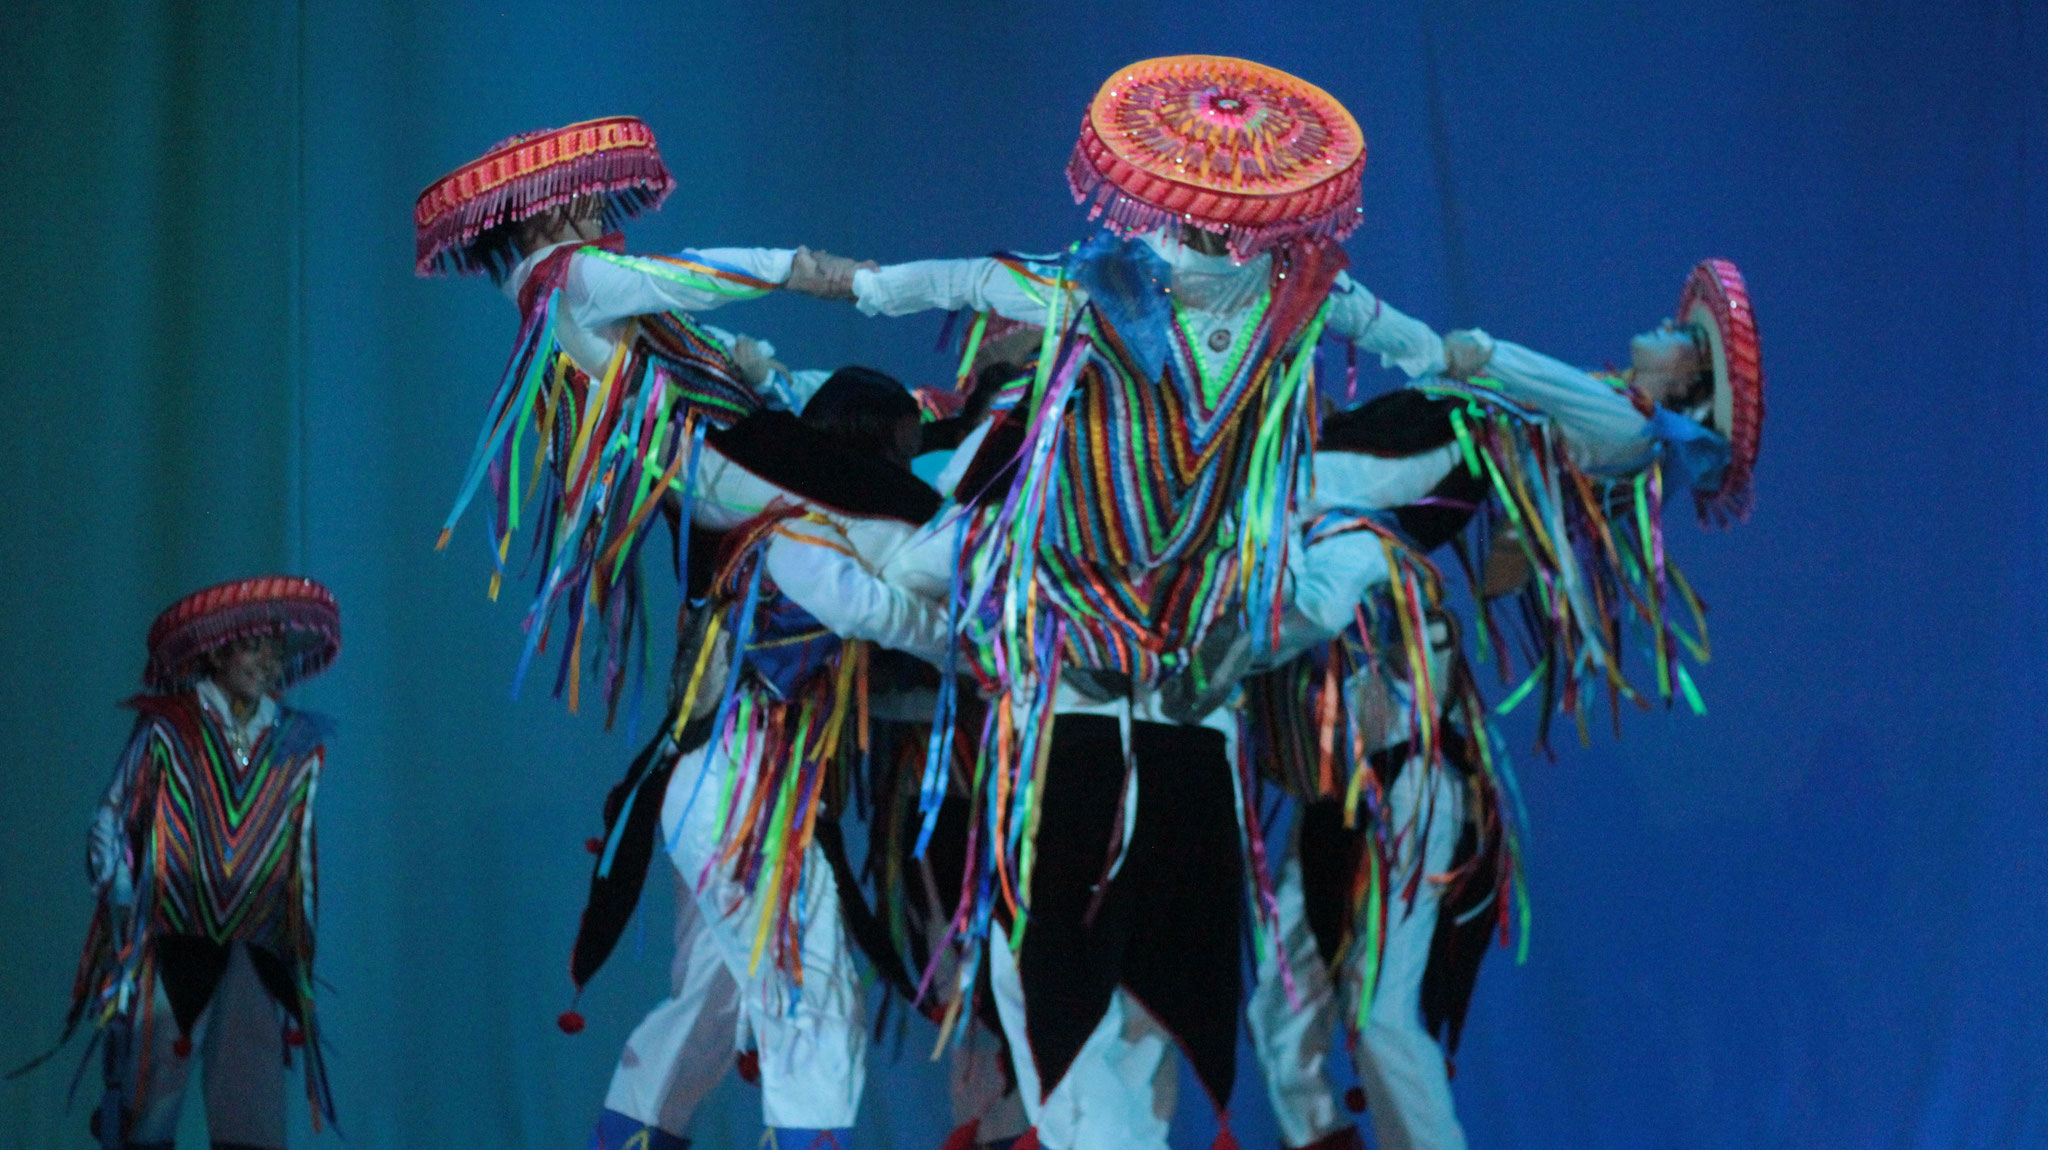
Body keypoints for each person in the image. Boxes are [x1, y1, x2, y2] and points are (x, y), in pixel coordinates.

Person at [844, 56, 1473, 1149]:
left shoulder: (1075, 347)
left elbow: (916, 557)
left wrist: (838, 286)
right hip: (1185, 738)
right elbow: (1432, 376)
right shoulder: (1285, 330)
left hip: (1087, 731)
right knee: (1134, 1029)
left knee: (1062, 1007)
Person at [1242, 258, 1766, 1149]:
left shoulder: (1626, 429)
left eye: (1686, 341)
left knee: (1378, 1013)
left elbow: (1510, 370)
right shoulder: (1582, 428)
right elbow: (1505, 550)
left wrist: (1467, 350)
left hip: (1409, 747)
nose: (1668, 330)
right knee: (1283, 1003)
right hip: (1361, 715)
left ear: (1688, 380)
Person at [576, 368, 955, 1150]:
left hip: (731, 791)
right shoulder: (797, 530)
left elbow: (862, 676)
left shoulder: (807, 533)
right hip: (737, 789)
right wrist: (976, 640)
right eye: (901, 454)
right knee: (812, 988)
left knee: (710, 1006)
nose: (900, 477)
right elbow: (873, 612)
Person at [414, 115, 874, 719]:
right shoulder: (574, 274)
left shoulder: (544, 299)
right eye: (588, 194)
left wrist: (759, 369)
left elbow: (670, 336)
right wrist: (797, 269)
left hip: (690, 477)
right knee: (878, 506)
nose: (602, 205)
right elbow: (688, 277)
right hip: (721, 453)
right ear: (549, 212)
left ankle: (727, 671)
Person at [53, 577, 342, 1150]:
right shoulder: (168, 729)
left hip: (258, 950)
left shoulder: (294, 743)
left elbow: (298, 851)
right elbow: (111, 818)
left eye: (276, 648)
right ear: (218, 651)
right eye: (256, 646)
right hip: (173, 941)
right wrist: (119, 906)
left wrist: (301, 940)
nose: (269, 660)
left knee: (251, 1112)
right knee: (150, 1105)